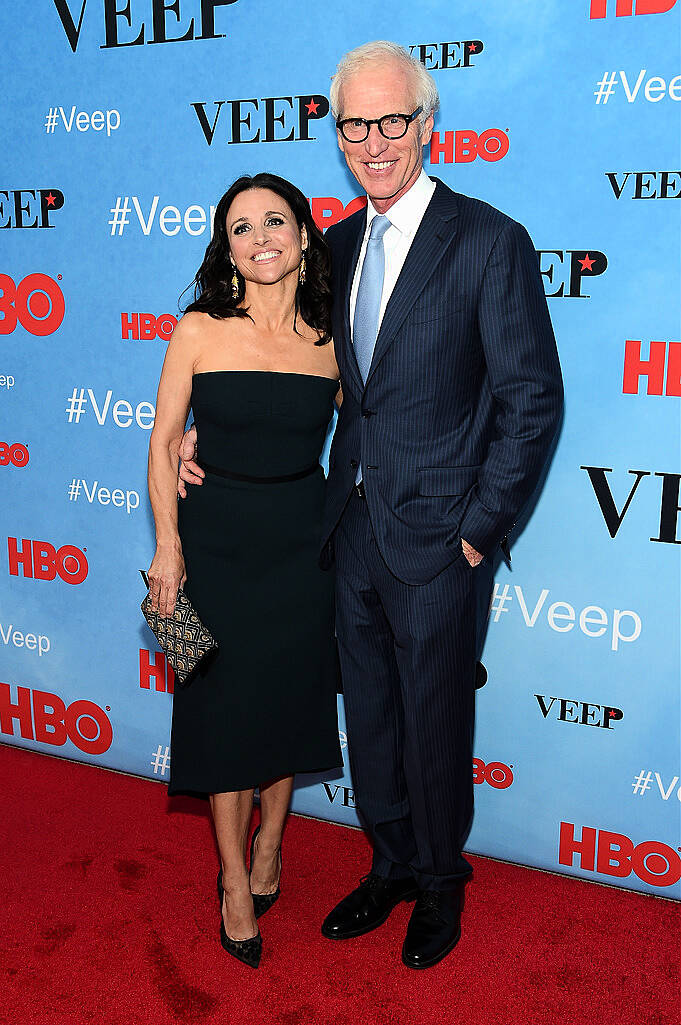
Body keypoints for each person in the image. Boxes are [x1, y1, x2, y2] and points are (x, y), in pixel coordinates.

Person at [180, 41, 563, 970]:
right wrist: (204, 436)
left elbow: (531, 400)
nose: (375, 140)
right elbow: (289, 370)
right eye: (356, 124)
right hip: (342, 531)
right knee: (376, 721)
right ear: (339, 136)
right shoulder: (335, 245)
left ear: (426, 125)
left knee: (434, 718)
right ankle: (389, 859)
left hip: (441, 540)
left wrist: (478, 534)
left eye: (393, 120)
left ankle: (438, 882)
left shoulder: (487, 239)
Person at [146, 173, 342, 969]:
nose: (260, 237)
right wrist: (169, 544)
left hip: (303, 543)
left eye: (274, 221)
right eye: (240, 227)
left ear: (301, 233)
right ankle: (233, 878)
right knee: (223, 717)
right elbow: (164, 442)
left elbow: (379, 431)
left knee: (287, 706)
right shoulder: (198, 328)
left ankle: (271, 848)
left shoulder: (335, 339)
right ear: (224, 247)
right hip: (215, 542)